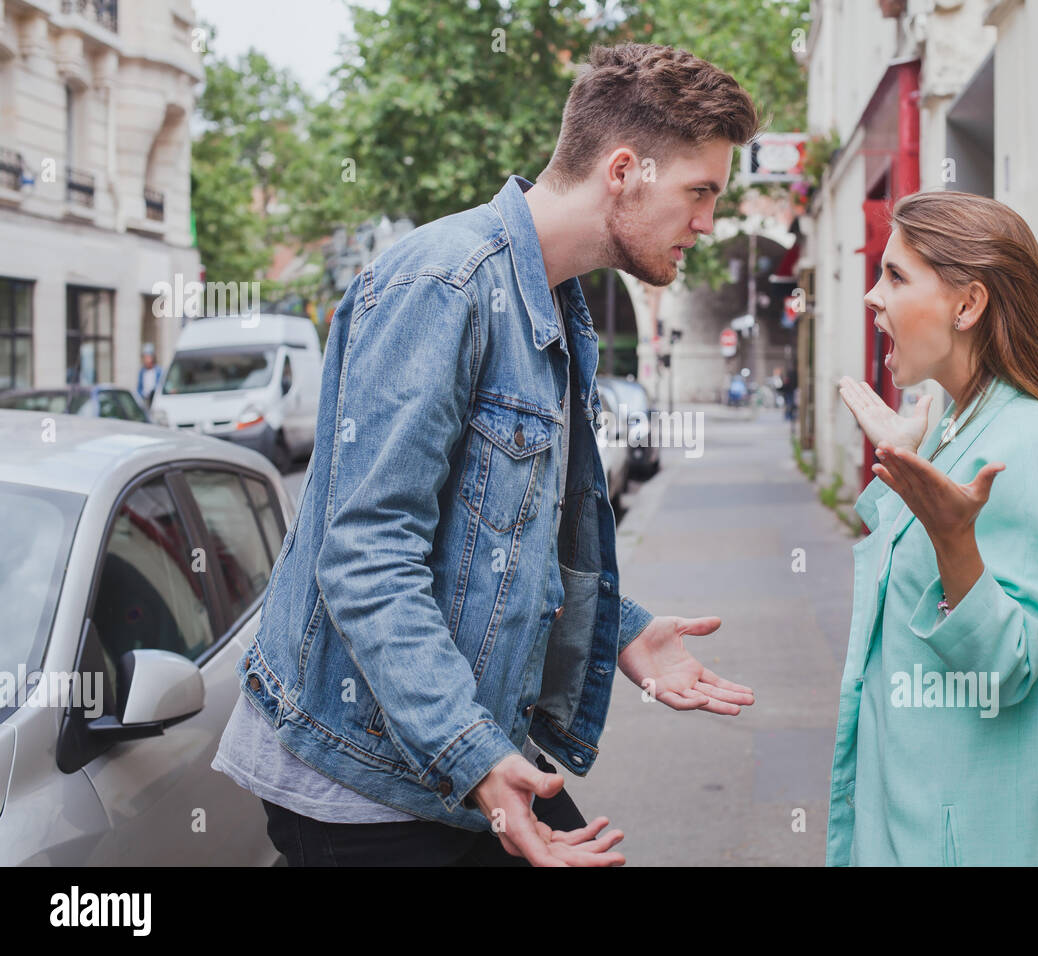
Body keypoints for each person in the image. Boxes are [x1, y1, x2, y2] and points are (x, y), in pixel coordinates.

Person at [212, 42, 760, 867]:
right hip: (360, 778)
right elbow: (364, 557)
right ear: (624, 171)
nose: (708, 223)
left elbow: (504, 545)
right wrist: (473, 756)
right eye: (700, 191)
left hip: (445, 744)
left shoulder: (553, 302)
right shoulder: (443, 285)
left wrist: (621, 631)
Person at [828, 191, 1038, 866]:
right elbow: (906, 587)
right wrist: (909, 459)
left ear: (968, 305)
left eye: (896, 276)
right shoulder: (964, 424)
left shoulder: (1032, 443)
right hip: (928, 825)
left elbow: (1005, 667)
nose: (873, 299)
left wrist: (955, 539)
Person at [136, 342, 161, 407]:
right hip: (144, 400)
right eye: (145, 357)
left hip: (155, 401)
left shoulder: (159, 371)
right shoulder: (142, 372)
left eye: (148, 357)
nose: (146, 359)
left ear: (152, 357)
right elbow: (139, 388)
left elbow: (161, 385)